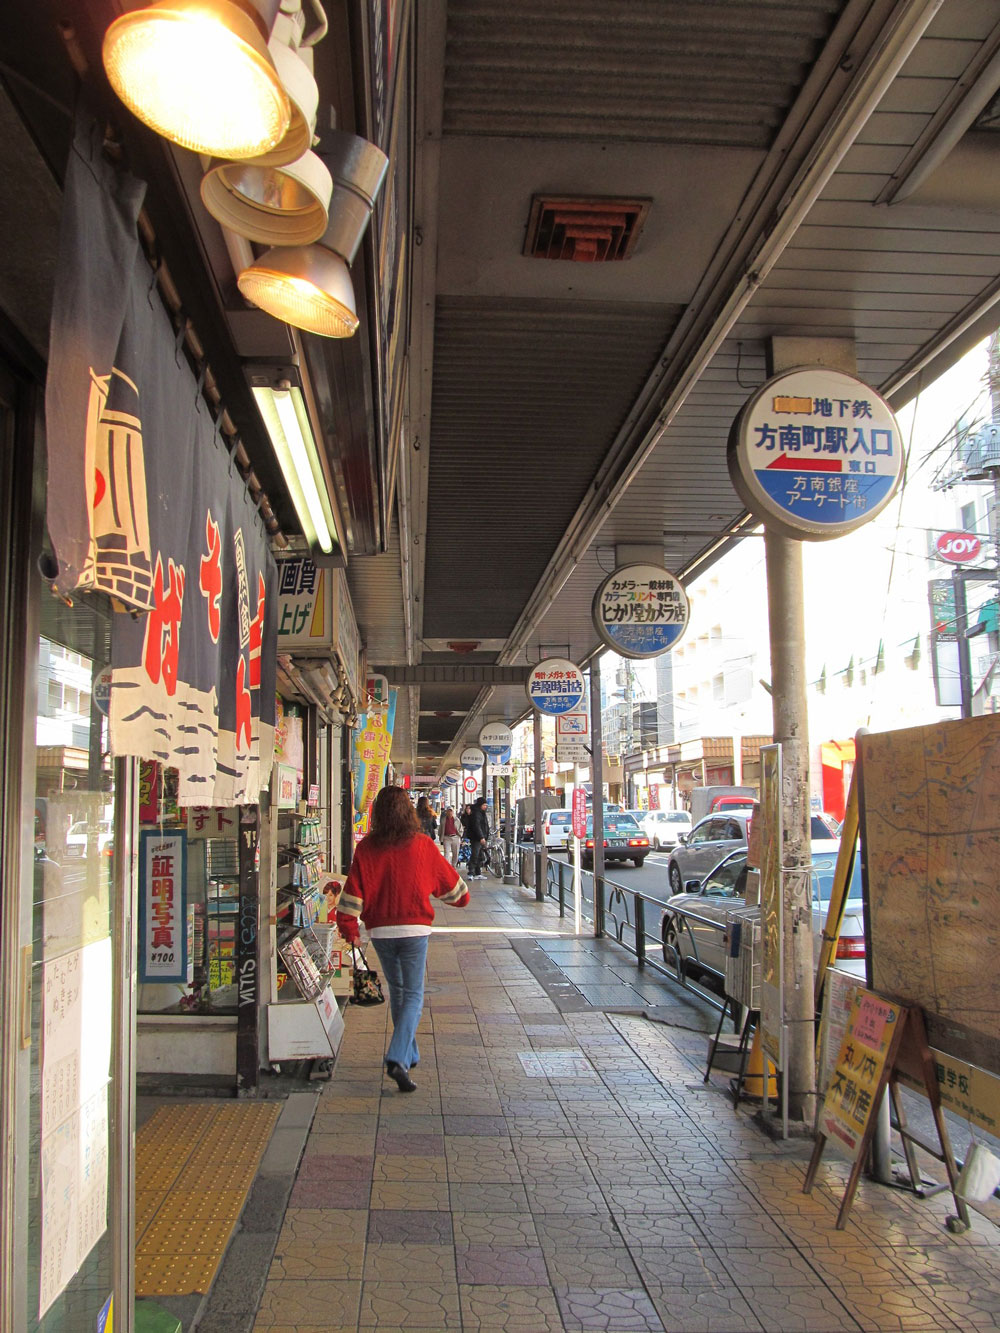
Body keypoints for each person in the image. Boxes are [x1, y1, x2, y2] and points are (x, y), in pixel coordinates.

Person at [337, 786, 469, 1092]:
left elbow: (354, 893)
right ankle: (398, 1056)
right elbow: (455, 891)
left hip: (380, 931)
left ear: (377, 814)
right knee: (413, 994)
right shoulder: (422, 845)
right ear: (408, 812)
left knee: (399, 992)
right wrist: (460, 897)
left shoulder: (367, 847)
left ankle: (409, 1054)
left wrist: (349, 928)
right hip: (414, 930)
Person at [467, 796, 490, 879]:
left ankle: (478, 872)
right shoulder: (476, 813)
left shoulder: (481, 812)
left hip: (481, 837)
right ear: (480, 805)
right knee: (475, 854)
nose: (485, 806)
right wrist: (481, 837)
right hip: (477, 838)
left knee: (480, 855)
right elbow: (477, 826)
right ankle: (471, 872)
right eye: (484, 805)